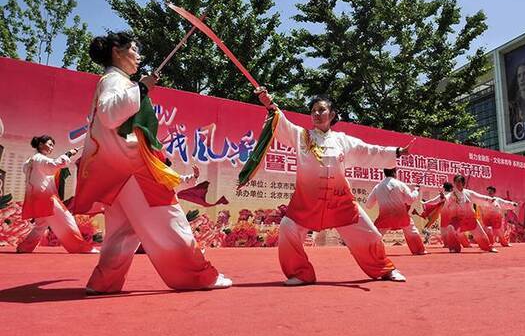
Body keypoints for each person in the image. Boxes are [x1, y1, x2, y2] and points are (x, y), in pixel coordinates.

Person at [74, 32, 230, 294]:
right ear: (117, 51)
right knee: (170, 220)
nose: (138, 56)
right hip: (133, 169)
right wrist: (142, 88)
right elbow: (111, 115)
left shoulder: (114, 81)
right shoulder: (115, 80)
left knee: (123, 231)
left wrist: (140, 87)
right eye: (134, 49)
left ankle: (104, 282)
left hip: (116, 172)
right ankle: (197, 276)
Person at [256, 87, 410, 285]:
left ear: (332, 114)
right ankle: (300, 273)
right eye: (313, 111)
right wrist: (270, 104)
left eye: (321, 110)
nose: (317, 114)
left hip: (340, 202)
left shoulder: (342, 140)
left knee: (370, 234)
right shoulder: (302, 136)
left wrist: (396, 152)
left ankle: (385, 269)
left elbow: (369, 151)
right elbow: (282, 124)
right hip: (307, 202)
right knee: (287, 227)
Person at [16, 135, 97, 254]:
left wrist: (66, 155)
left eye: (53, 145)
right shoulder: (40, 159)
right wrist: (68, 154)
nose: (51, 147)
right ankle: (79, 247)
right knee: (66, 219)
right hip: (46, 198)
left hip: (36, 198)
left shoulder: (30, 161)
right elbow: (54, 165)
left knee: (41, 225)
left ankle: (24, 247)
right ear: (40, 145)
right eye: (49, 144)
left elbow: (47, 169)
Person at [365, 168, 426, 255]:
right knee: (412, 231)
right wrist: (416, 191)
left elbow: (368, 205)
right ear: (394, 172)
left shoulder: (377, 187)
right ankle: (420, 250)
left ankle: (367, 251)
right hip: (401, 216)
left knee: (376, 234)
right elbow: (410, 200)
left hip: (385, 217)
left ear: (385, 173)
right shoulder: (400, 184)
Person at [439, 174, 502, 253]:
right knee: (450, 228)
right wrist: (443, 198)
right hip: (457, 220)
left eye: (459, 182)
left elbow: (479, 197)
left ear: (463, 183)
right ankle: (454, 248)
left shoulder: (469, 193)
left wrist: (489, 199)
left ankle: (488, 247)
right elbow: (446, 199)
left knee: (481, 234)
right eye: (456, 182)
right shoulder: (451, 195)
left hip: (470, 219)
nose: (457, 184)